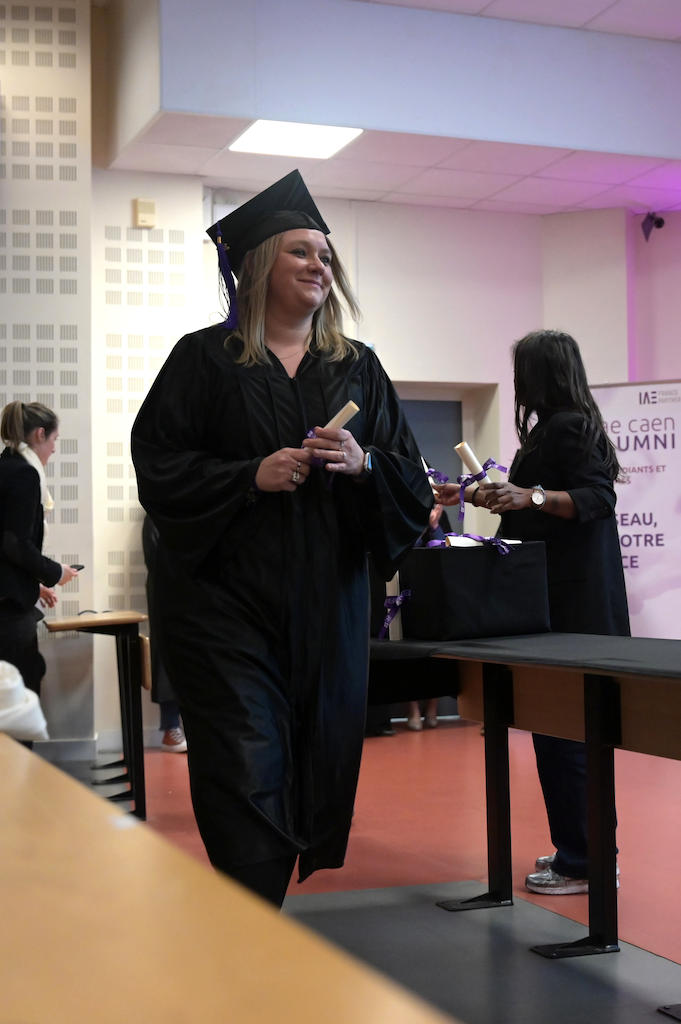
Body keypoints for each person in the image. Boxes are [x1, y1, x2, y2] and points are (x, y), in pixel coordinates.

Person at [131, 170, 432, 906]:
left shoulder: (354, 366)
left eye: (325, 255)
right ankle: (249, 935)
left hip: (326, 613)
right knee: (245, 764)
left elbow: (412, 485)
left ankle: (253, 932)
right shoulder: (203, 360)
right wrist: (247, 477)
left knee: (312, 763)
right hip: (224, 614)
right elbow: (160, 469)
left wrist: (365, 466)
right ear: (261, 264)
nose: (318, 265)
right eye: (300, 250)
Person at [435, 329, 629, 895]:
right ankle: (579, 852)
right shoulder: (552, 430)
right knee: (557, 734)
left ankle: (588, 861)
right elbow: (525, 506)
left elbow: (597, 498)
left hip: (576, 612)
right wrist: (471, 495)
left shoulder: (571, 428)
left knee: (569, 738)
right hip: (559, 608)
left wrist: (532, 496)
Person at [0, 401, 79, 699]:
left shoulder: (5, 465)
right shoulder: (24, 474)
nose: (54, 449)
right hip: (8, 612)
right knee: (20, 700)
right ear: (40, 434)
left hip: (7, 599)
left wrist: (35, 582)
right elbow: (14, 543)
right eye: (54, 440)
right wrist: (55, 573)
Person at [141, 514, 187, 753]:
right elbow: (155, 557)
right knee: (167, 660)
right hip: (167, 592)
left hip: (201, 594)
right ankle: (170, 727)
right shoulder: (156, 513)